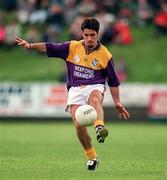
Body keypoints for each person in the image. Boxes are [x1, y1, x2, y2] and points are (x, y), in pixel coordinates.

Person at [15, 18, 130, 171]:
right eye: (86, 35)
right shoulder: (72, 47)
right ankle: (92, 157)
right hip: (75, 89)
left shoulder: (105, 55)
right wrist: (30, 45)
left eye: (93, 35)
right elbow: (48, 47)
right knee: (79, 124)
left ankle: (99, 128)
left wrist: (117, 102)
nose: (89, 38)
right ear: (82, 34)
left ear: (98, 35)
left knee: (95, 98)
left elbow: (114, 81)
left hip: (94, 86)